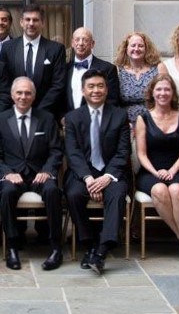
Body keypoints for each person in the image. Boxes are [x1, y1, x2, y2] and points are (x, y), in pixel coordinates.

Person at [0, 77, 65, 271]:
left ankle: (56, 248)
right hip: (13, 175)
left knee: (53, 192)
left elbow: (56, 151)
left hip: (40, 174)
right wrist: (7, 173)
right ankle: (12, 248)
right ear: (12, 95)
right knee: (6, 193)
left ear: (34, 95)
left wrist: (47, 170)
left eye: (28, 93)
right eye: (19, 93)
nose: (23, 97)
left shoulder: (47, 118)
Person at [64, 69, 130, 274]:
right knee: (74, 194)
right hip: (83, 173)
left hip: (111, 172)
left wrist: (106, 178)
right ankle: (89, 243)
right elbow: (73, 153)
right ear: (83, 90)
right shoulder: (73, 118)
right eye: (91, 86)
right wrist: (89, 178)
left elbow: (123, 152)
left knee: (117, 194)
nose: (96, 90)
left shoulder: (119, 116)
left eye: (100, 86)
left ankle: (102, 249)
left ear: (107, 89)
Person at [135, 74, 179, 264]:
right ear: (152, 92)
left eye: (167, 89)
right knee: (159, 190)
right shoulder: (143, 118)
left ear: (173, 92)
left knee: (176, 189)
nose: (163, 93)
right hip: (150, 172)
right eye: (159, 89)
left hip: (176, 170)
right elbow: (141, 154)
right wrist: (156, 172)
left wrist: (172, 171)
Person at [0, 6, 66, 117]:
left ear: (42, 23)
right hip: (13, 114)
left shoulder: (56, 49)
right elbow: (3, 82)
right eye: (27, 19)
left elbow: (58, 84)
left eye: (35, 20)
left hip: (45, 114)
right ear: (21, 22)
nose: (31, 23)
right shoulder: (8, 47)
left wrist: (40, 111)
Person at [61, 27, 121, 115]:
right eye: (77, 40)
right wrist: (62, 117)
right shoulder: (64, 69)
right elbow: (60, 98)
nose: (80, 43)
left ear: (92, 44)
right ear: (72, 43)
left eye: (85, 40)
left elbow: (112, 100)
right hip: (69, 124)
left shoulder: (108, 68)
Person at [115, 31, 161, 126]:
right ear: (126, 48)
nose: (136, 49)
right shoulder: (117, 70)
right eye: (133, 45)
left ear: (146, 48)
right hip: (126, 126)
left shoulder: (158, 68)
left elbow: (167, 96)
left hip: (153, 124)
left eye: (140, 46)